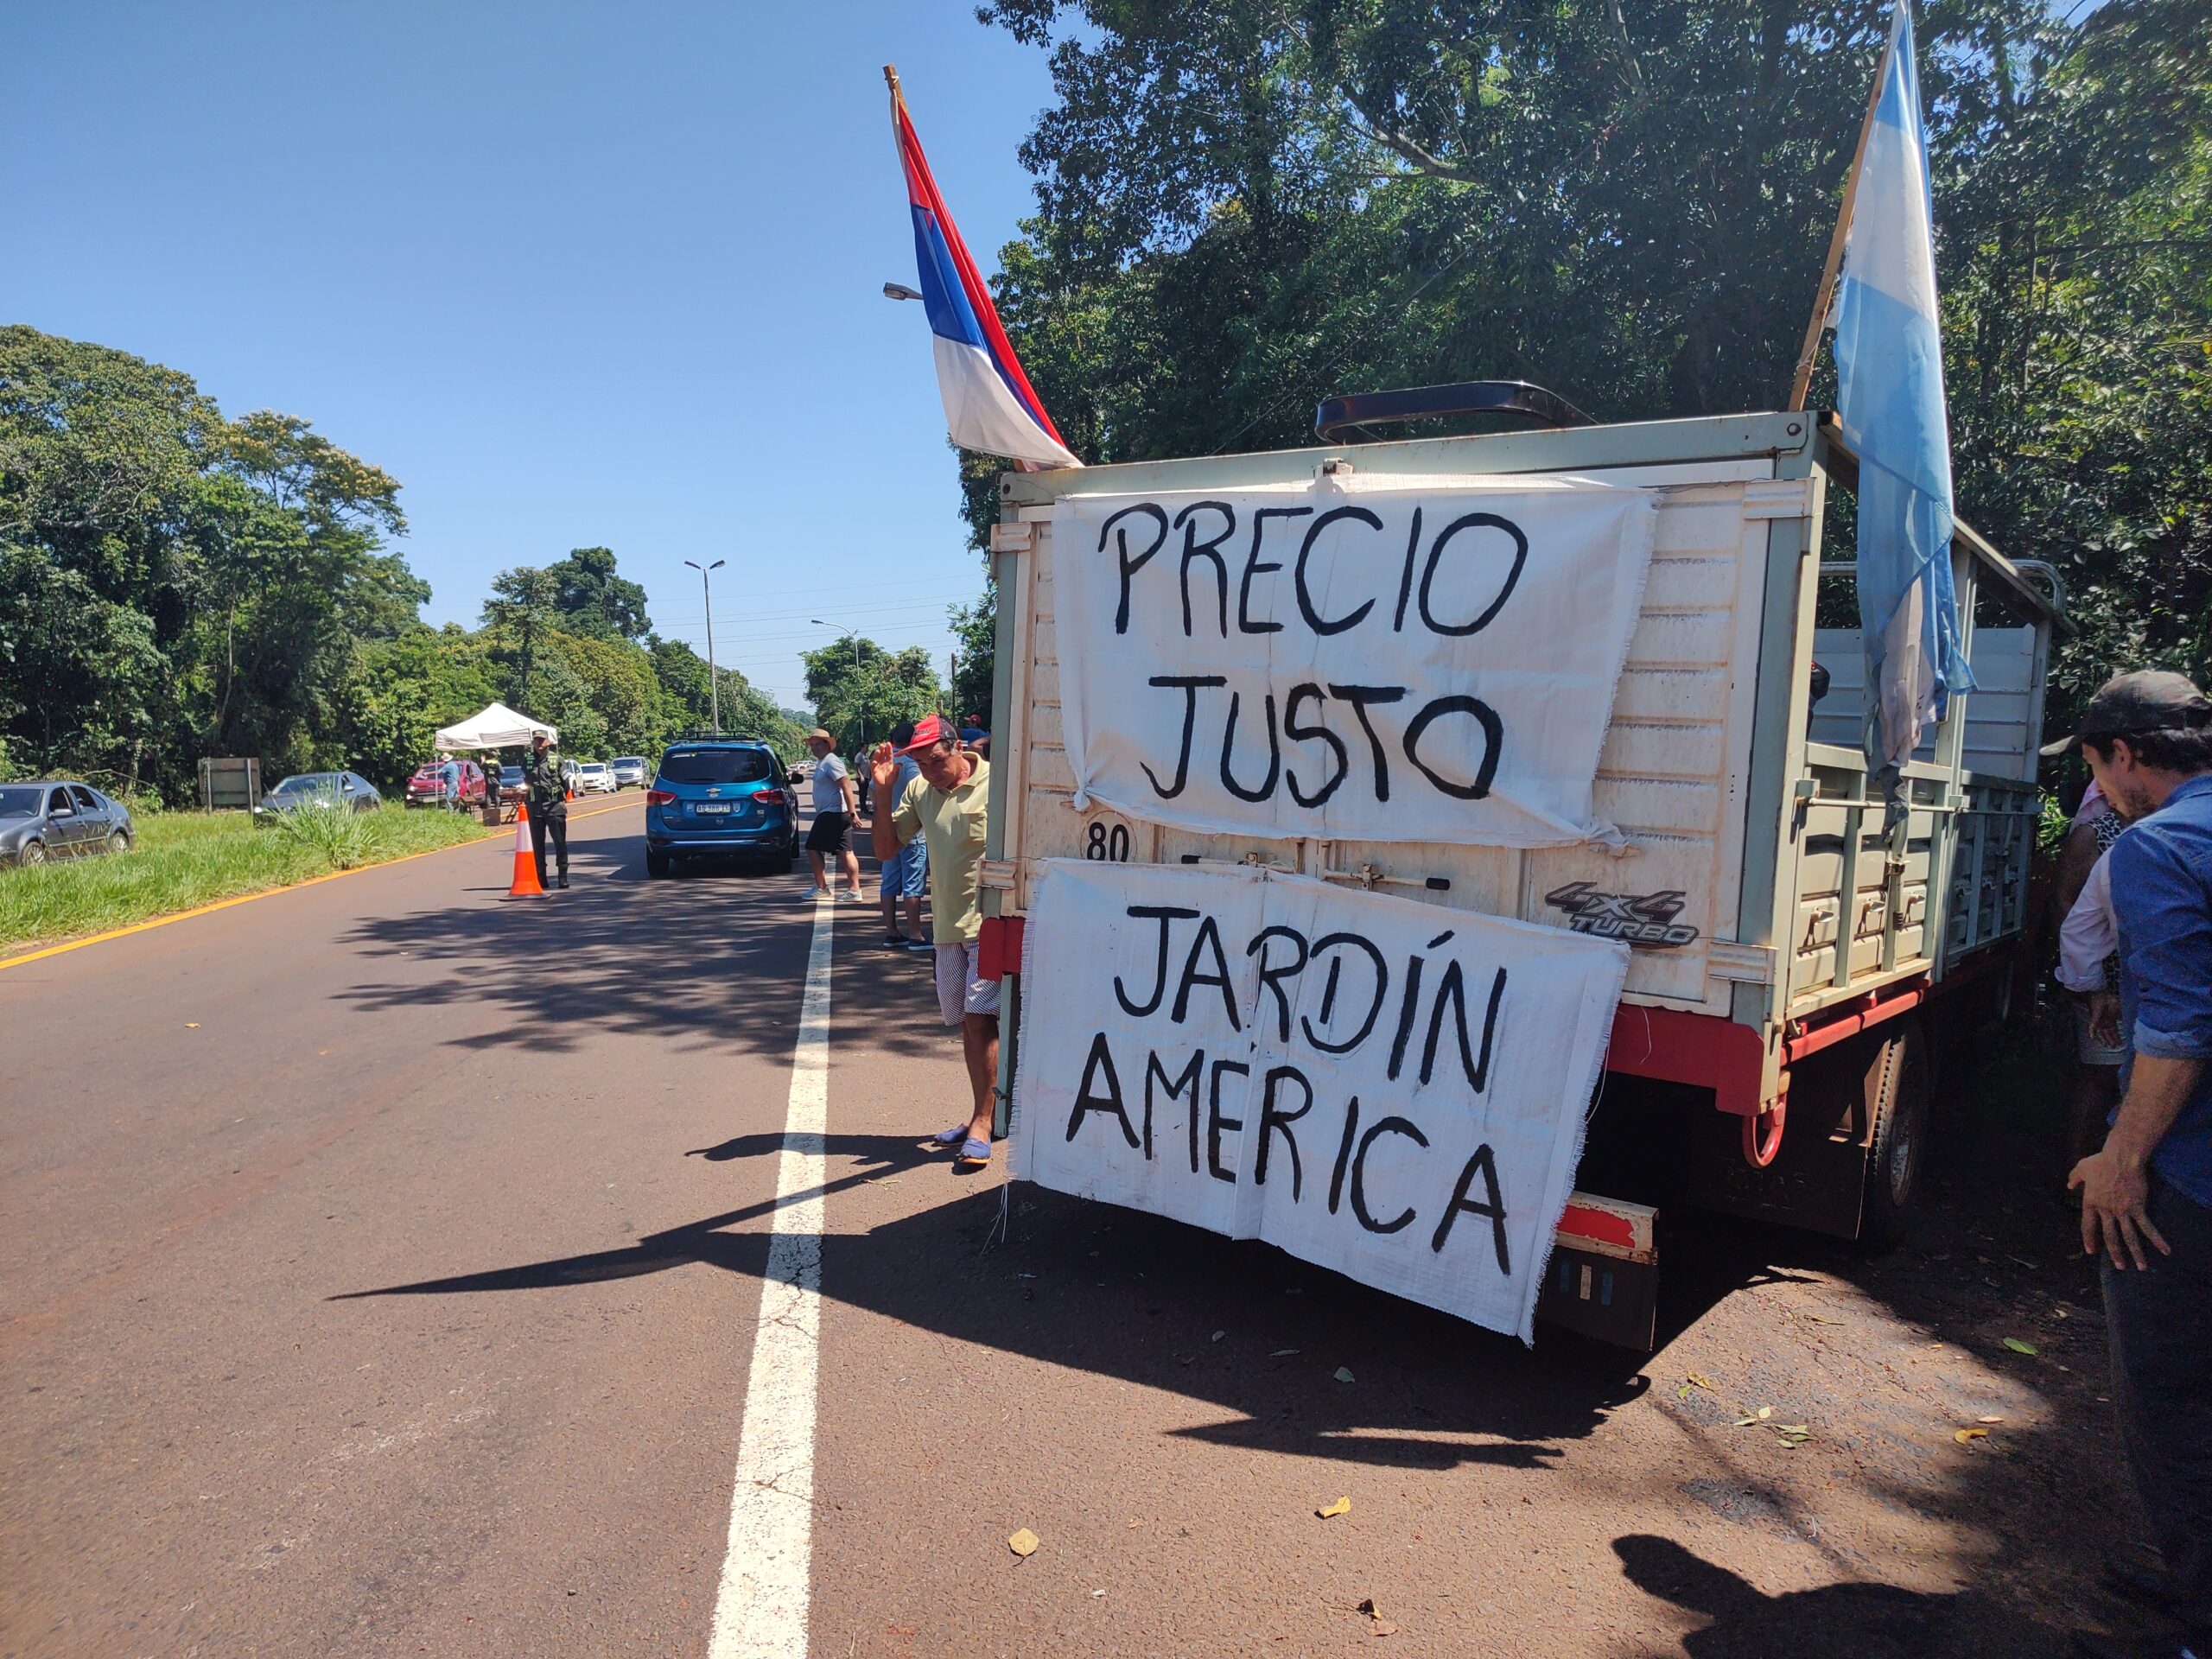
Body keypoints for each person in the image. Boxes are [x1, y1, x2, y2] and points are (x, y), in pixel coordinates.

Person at [2050, 671, 2212, 1659]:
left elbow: (2181, 1030)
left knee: (2166, 1399)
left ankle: (2198, 1625)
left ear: (2124, 756)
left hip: (2187, 1181)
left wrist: (2121, 1157)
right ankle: (2195, 1576)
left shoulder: (2157, 846)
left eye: (2099, 774)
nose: (2103, 796)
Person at [869, 714, 996, 1167]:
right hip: (947, 928)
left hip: (993, 923)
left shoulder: (996, 783)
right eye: (921, 764)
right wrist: (882, 792)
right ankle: (983, 1112)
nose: (929, 771)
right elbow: (885, 850)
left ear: (958, 747)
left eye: (936, 761)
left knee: (982, 1021)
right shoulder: (919, 790)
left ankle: (984, 1122)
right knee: (966, 1023)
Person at [2055, 793, 2131, 1164]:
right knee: (2103, 1078)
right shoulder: (2095, 835)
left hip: (2150, 988)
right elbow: (2067, 908)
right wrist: (2092, 987)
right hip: (2105, 987)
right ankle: (2078, 1177)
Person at [875, 721, 931, 951]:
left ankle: (891, 932)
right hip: (913, 831)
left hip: (888, 829)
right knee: (913, 883)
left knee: (888, 883)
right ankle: (916, 935)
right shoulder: (911, 765)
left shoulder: (884, 763)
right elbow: (922, 792)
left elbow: (875, 792)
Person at [803, 728, 863, 901]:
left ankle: (821, 887)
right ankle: (854, 890)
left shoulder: (831, 761)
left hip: (832, 812)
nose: (814, 748)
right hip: (835, 812)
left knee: (812, 847)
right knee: (846, 851)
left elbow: (846, 786)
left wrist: (853, 813)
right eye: (812, 745)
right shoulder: (824, 762)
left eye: (817, 744)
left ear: (827, 745)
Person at [524, 730, 569, 890]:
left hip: (554, 806)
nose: (539, 743)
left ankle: (562, 877)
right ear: (533, 742)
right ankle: (541, 878)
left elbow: (566, 782)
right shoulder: (527, 760)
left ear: (548, 741)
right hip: (535, 807)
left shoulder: (557, 759)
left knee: (560, 843)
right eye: (536, 740)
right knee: (537, 844)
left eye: (542, 739)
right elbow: (526, 780)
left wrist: (559, 796)